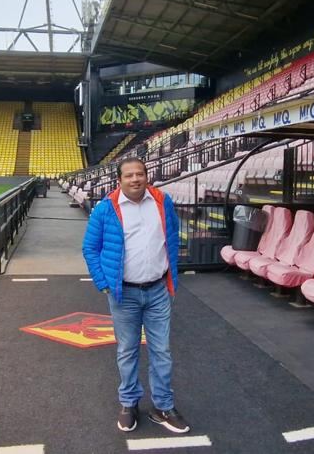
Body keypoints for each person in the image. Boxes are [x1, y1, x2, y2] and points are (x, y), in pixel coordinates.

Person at [81, 157, 190, 434]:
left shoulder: (162, 202)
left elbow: (172, 236)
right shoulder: (106, 208)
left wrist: (170, 275)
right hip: (123, 294)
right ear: (119, 179)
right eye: (129, 175)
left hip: (157, 291)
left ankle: (162, 406)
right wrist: (103, 282)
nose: (135, 179)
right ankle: (129, 403)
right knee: (127, 351)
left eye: (139, 174)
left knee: (161, 351)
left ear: (146, 176)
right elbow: (90, 248)